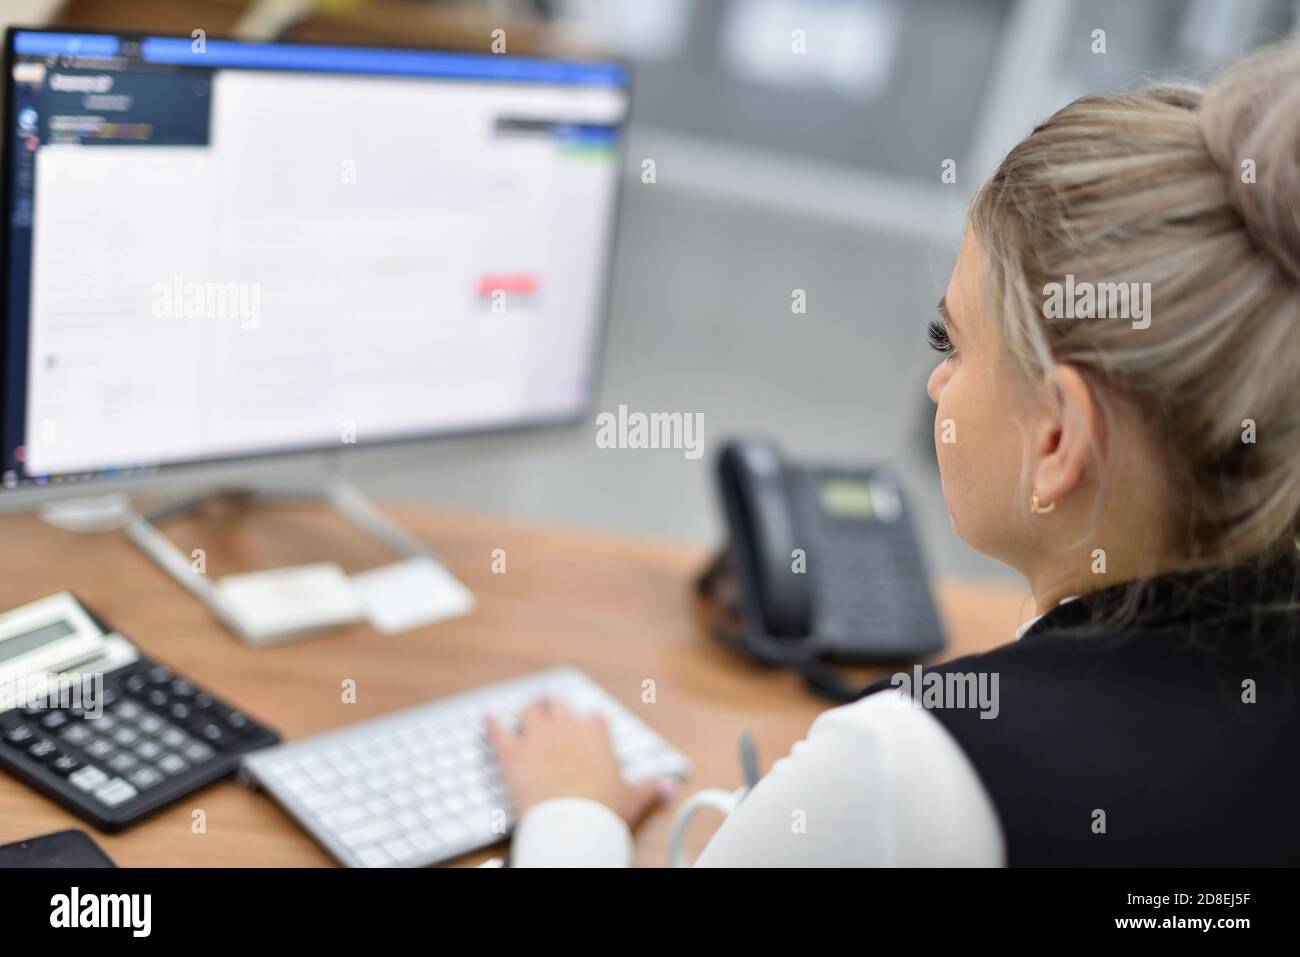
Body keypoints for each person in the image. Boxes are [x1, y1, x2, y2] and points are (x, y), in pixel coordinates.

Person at [485, 45, 1300, 867]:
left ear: (1058, 438)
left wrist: (570, 811)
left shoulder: (903, 767)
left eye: (952, 340)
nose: (939, 384)